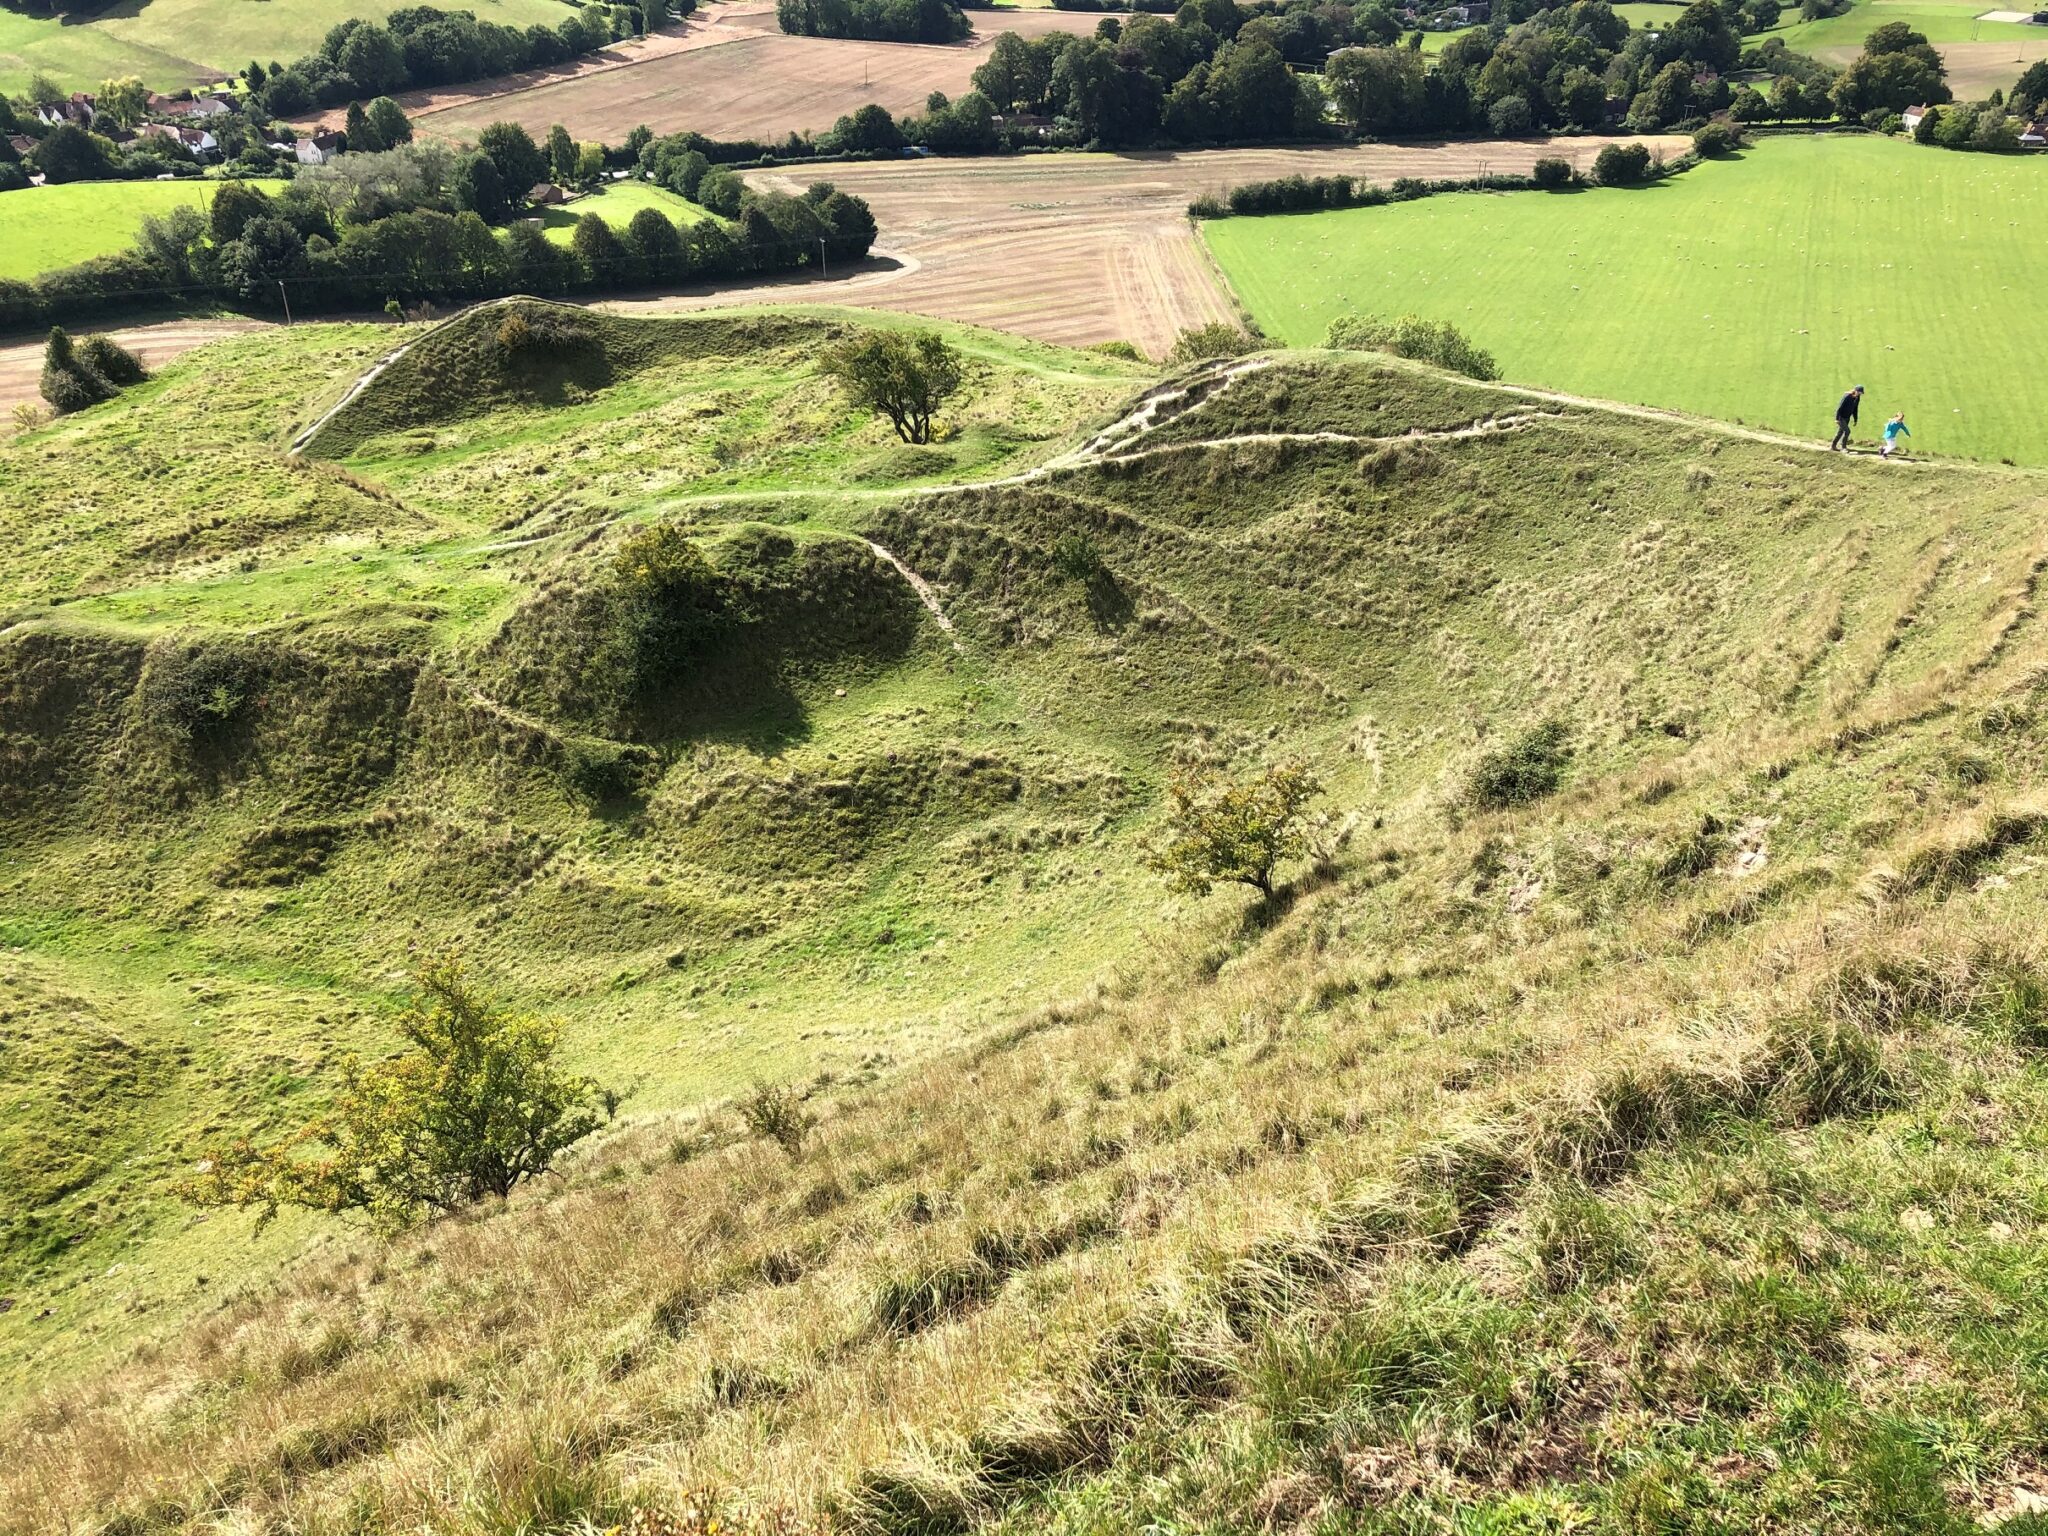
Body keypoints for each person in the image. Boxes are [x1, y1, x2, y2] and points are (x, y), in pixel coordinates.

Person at [1831, 385, 1863, 451]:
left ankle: (1833, 446)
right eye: (1859, 392)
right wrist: (1836, 419)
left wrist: (1855, 419)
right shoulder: (1847, 396)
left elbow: (1855, 409)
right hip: (1841, 417)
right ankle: (1843, 447)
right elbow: (1839, 407)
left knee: (1840, 432)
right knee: (1847, 431)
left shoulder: (1857, 398)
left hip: (1847, 417)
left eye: (1861, 393)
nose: (1860, 394)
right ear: (1855, 391)